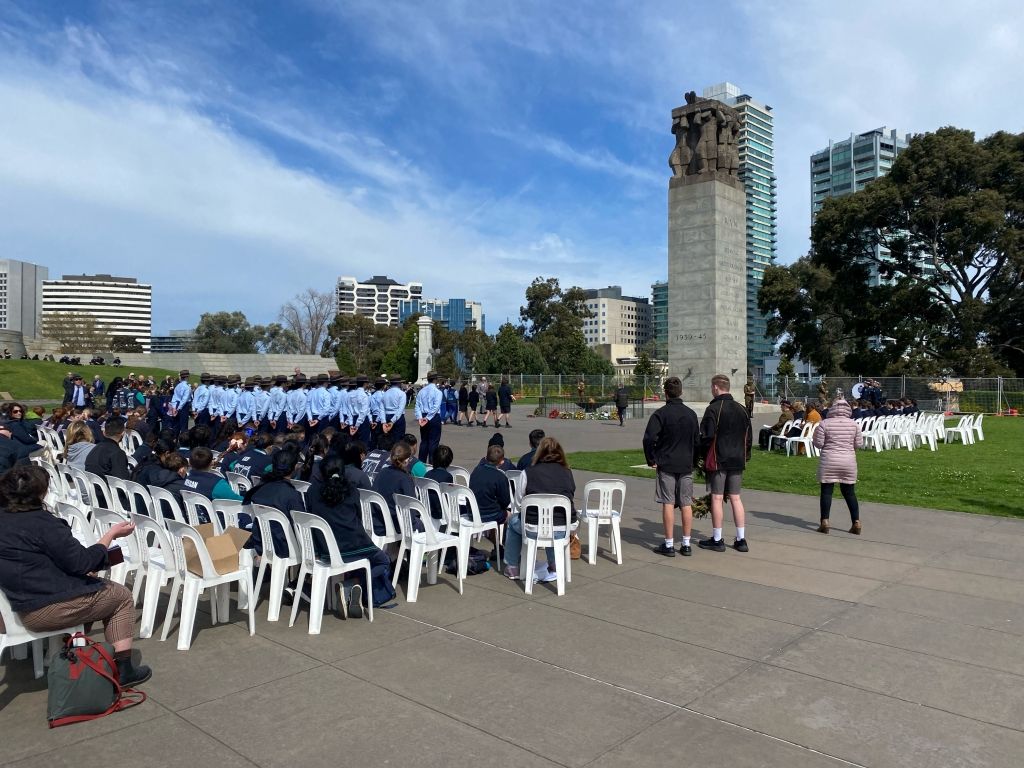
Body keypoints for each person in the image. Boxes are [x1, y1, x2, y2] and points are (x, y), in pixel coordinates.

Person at [0, 465, 152, 685]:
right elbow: (82, 563)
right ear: (40, 493)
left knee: (91, 584)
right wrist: (110, 535)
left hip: (13, 601)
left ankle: (71, 644)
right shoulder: (42, 523)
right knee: (120, 596)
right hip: (40, 608)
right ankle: (124, 669)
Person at [307, 454, 397, 613]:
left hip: (323, 550)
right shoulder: (351, 491)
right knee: (383, 561)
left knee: (362, 561)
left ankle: (352, 584)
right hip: (354, 546)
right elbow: (359, 519)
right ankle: (353, 583)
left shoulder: (312, 490)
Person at [502, 437, 576, 582]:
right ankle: (554, 564)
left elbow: (518, 504)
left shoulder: (528, 473)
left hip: (533, 526)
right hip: (563, 527)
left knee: (513, 522)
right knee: (549, 524)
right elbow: (570, 495)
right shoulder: (568, 472)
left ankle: (512, 566)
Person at [643, 376, 700, 556]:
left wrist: (651, 458)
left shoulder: (661, 414)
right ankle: (686, 543)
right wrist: (694, 460)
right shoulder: (691, 414)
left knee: (668, 502)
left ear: (665, 393)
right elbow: (697, 441)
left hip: (667, 462)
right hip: (686, 463)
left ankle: (668, 544)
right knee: (686, 502)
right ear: (681, 392)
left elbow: (649, 438)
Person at [698, 374, 752, 553]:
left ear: (715, 387)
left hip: (718, 458)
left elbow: (706, 436)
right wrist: (746, 455)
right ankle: (741, 538)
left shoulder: (713, 409)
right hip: (737, 458)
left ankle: (717, 538)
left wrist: (701, 455)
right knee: (736, 498)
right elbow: (748, 436)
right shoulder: (742, 409)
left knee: (717, 497)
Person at [812, 397, 864, 535]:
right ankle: (856, 522)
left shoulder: (825, 424)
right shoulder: (854, 425)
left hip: (829, 460)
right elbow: (858, 444)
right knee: (849, 492)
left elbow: (819, 444)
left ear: (832, 409)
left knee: (826, 491)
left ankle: (825, 521)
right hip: (848, 461)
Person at [243, 448, 306, 556]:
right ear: (294, 467)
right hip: (284, 548)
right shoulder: (292, 495)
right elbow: (301, 526)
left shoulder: (259, 488)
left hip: (261, 543)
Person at [370, 441, 417, 534]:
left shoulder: (382, 472)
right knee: (421, 524)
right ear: (407, 460)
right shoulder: (404, 479)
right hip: (394, 524)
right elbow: (411, 506)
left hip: (376, 521)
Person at [468, 445, 511, 528]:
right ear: (502, 462)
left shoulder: (476, 470)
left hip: (472, 513)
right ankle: (499, 539)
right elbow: (505, 501)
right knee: (510, 516)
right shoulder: (500, 477)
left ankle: (491, 534)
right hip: (490, 515)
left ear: (486, 458)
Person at [85, 416, 130, 481]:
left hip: (93, 488)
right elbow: (122, 481)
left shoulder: (95, 449)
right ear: (123, 433)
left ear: (104, 433)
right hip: (107, 490)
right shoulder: (117, 453)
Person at [414, 371, 443, 463]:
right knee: (433, 442)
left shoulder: (421, 391)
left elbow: (417, 405)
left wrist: (420, 417)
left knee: (424, 441)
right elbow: (436, 407)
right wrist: (428, 418)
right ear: (436, 379)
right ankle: (432, 464)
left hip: (423, 416)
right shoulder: (437, 392)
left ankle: (421, 463)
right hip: (433, 417)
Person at [168, 370, 192, 436]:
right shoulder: (187, 387)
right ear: (187, 377)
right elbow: (184, 399)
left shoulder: (178, 386)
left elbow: (174, 397)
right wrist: (179, 408)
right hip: (183, 406)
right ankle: (184, 441)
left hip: (176, 404)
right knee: (184, 425)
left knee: (176, 425)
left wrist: (174, 407)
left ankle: (174, 439)